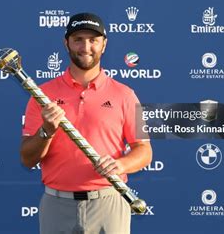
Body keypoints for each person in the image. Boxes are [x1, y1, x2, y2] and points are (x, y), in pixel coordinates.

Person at [21, 12, 152, 234]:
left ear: (104, 44)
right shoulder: (42, 94)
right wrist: (47, 131)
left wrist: (121, 165)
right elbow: (27, 158)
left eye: (93, 40)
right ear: (66, 43)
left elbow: (144, 150)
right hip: (57, 204)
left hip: (109, 202)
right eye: (78, 39)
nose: (86, 46)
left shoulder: (125, 94)